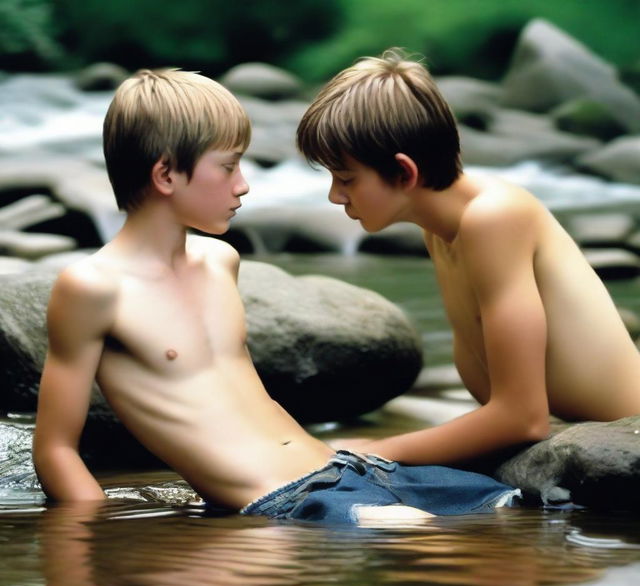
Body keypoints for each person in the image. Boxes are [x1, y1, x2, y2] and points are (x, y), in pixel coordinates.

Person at [32, 68, 519, 525]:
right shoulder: (94, 288)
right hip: (286, 499)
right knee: (430, 539)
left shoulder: (220, 262)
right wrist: (88, 545)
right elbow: (56, 449)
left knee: (526, 506)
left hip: (350, 469)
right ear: (166, 175)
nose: (243, 185)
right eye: (228, 167)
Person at [296, 49, 640, 467]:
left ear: (405, 173)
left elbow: (523, 419)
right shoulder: (441, 230)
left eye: (346, 178)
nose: (335, 196)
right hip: (578, 440)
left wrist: (372, 450)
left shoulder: (493, 217)